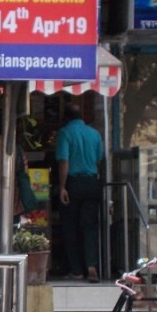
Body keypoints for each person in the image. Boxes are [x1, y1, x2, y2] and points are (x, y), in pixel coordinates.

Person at [56, 103, 104, 282]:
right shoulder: (94, 134)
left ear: (66, 117)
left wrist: (62, 187)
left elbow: (63, 162)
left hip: (73, 183)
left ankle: (76, 270)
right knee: (90, 226)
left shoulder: (65, 133)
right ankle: (91, 266)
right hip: (92, 182)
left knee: (70, 227)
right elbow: (99, 159)